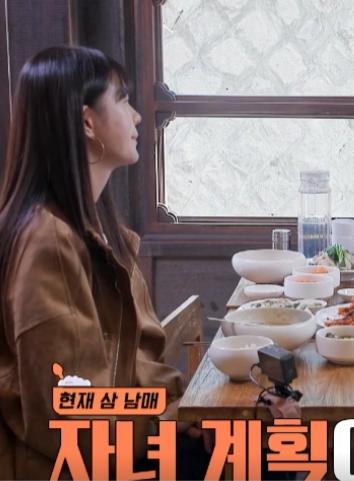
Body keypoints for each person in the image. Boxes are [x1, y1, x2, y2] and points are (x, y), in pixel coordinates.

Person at [0, 46, 205, 479]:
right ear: (87, 122)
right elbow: (73, 417)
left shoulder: (100, 230)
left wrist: (191, 408)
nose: (137, 117)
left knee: (264, 440)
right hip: (83, 465)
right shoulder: (48, 242)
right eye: (123, 99)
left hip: (122, 444)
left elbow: (138, 369)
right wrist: (171, 420)